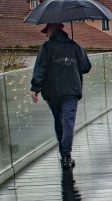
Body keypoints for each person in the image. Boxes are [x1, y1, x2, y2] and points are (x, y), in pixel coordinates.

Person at [30, 23, 91, 169]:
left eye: (47, 31)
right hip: (71, 89)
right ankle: (66, 156)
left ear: (52, 30)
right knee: (69, 121)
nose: (46, 35)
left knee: (59, 121)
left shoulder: (46, 47)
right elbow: (86, 67)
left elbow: (40, 68)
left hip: (52, 92)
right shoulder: (75, 46)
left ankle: (63, 153)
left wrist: (35, 88)